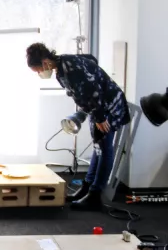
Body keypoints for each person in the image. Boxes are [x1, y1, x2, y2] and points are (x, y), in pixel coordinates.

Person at [26, 43, 131, 210]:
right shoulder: (61, 67)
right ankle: (87, 187)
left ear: (45, 62)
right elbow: (90, 63)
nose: (40, 73)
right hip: (97, 108)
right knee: (98, 147)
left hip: (108, 106)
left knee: (105, 148)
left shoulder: (70, 68)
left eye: (38, 70)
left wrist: (100, 117)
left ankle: (95, 195)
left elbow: (94, 90)